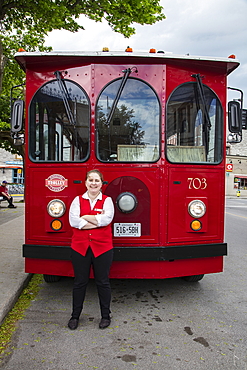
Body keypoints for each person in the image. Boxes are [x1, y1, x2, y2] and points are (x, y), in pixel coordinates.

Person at [68, 169, 114, 330]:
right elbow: (73, 221)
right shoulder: (77, 200)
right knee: (80, 282)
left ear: (102, 183)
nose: (93, 183)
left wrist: (85, 217)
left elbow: (107, 219)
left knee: (103, 282)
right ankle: (75, 316)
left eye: (97, 180)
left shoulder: (107, 200)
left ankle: (106, 316)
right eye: (91, 180)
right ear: (85, 182)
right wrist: (95, 220)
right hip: (80, 247)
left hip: (103, 248)